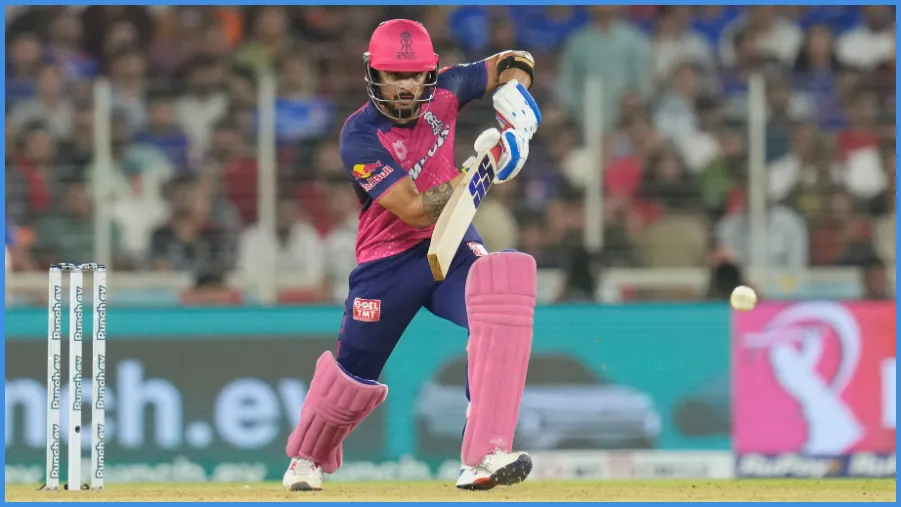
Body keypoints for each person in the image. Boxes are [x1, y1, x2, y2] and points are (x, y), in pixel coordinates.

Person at [282, 19, 542, 492]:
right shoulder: (359, 135)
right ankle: (307, 457)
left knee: (501, 298)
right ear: (374, 74)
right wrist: (483, 165)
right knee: (354, 371)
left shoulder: (448, 90)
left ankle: (484, 455)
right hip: (388, 260)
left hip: (451, 241)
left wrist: (517, 98)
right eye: (394, 76)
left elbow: (513, 60)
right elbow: (414, 209)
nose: (405, 86)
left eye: (414, 75)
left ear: (430, 72)